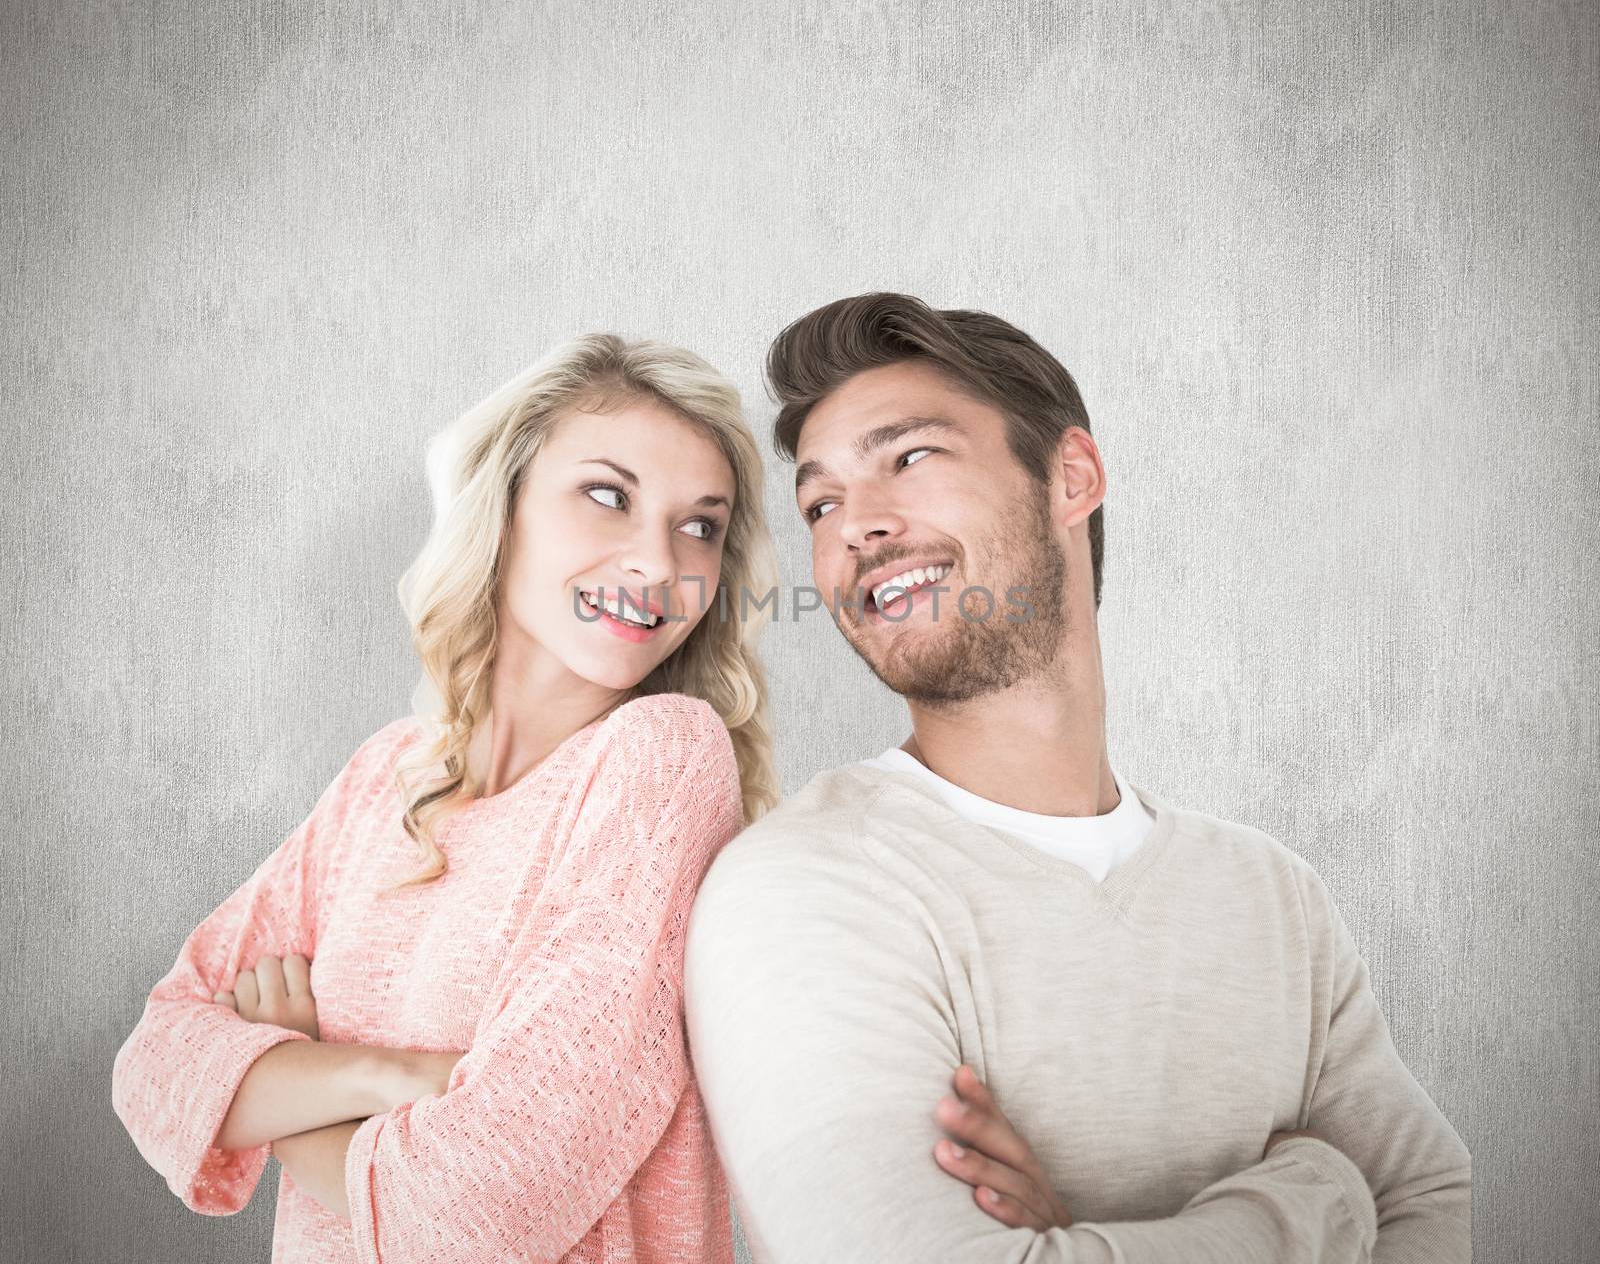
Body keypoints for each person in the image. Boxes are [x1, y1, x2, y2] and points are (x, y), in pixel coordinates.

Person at [683, 292, 1472, 1262]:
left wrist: (1078, 1242)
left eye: (908, 458)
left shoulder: (1274, 898)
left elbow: (1431, 1207)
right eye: (820, 502)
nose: (857, 527)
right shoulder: (804, 886)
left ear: (1071, 476)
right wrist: (1313, 1196)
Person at [111, 333, 780, 1263]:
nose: (659, 565)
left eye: (699, 524)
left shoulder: (659, 759)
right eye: (607, 495)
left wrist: (286, 1089)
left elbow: (481, 1215)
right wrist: (391, 1075)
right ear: (501, 506)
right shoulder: (391, 775)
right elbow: (154, 1065)